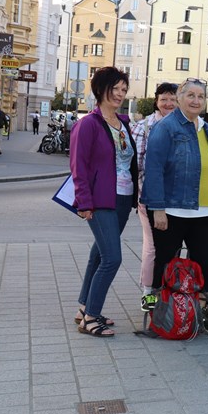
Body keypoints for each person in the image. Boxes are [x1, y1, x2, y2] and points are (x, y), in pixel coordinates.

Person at [141, 79, 208, 333]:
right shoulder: (166, 127)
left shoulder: (206, 128)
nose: (196, 100)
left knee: (206, 264)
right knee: (163, 264)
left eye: (201, 96)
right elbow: (153, 168)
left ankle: (197, 311)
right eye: (190, 95)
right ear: (179, 97)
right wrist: (158, 208)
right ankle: (153, 309)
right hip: (173, 210)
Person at [69, 67, 138, 337]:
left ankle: (84, 307)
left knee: (98, 253)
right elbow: (79, 167)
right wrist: (83, 202)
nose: (120, 94)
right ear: (101, 90)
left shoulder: (124, 123)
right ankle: (91, 318)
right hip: (99, 200)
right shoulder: (88, 124)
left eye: (124, 89)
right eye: (115, 89)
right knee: (112, 258)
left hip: (122, 198)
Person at [131, 82, 178, 311]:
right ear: (156, 101)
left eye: (173, 99)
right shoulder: (144, 127)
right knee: (152, 248)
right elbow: (138, 165)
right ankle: (149, 294)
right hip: (149, 197)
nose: (169, 103)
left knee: (172, 248)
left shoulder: (186, 125)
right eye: (164, 99)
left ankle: (168, 291)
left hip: (178, 201)